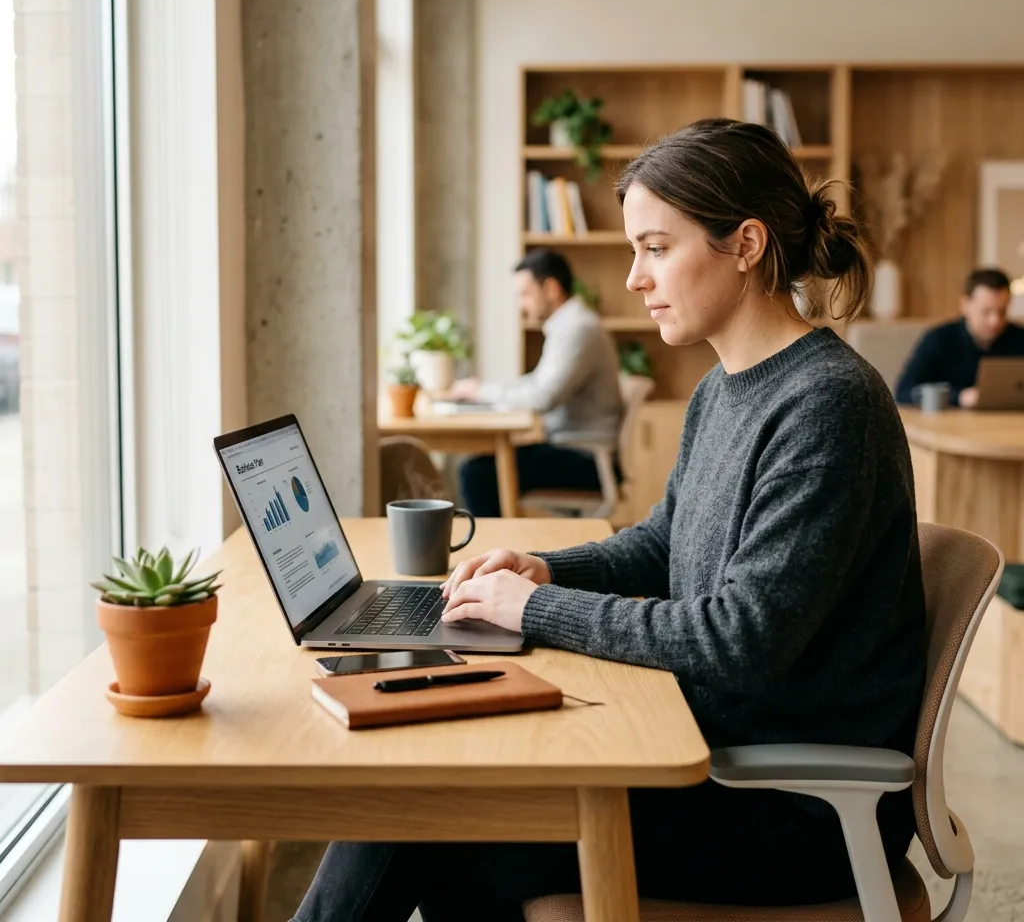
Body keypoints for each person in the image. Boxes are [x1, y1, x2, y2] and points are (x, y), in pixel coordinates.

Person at [291, 119, 926, 922]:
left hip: (786, 807)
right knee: (437, 796)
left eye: (656, 248)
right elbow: (663, 543)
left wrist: (535, 612)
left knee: (428, 808)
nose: (633, 278)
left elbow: (740, 640)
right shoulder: (724, 389)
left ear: (746, 244)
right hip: (706, 751)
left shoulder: (829, 405)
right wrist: (549, 570)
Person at [451, 248, 623, 517]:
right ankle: (499, 548)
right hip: (573, 449)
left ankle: (493, 553)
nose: (521, 305)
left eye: (525, 294)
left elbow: (543, 396)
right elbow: (538, 383)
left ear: (552, 289)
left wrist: (482, 391)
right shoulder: (568, 325)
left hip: (587, 459)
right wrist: (485, 391)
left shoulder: (578, 330)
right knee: (486, 467)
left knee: (477, 473)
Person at [895, 267, 1024, 407]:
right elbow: (904, 391)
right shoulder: (939, 339)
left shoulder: (1020, 338)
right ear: (965, 305)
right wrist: (959, 397)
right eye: (986, 312)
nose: (995, 321)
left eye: (1002, 312)